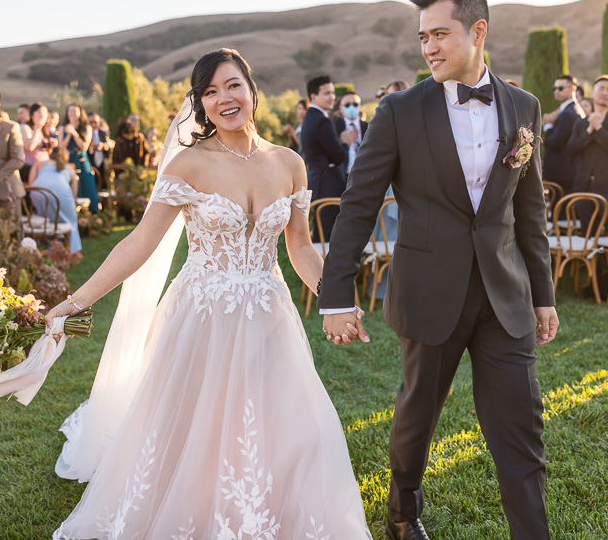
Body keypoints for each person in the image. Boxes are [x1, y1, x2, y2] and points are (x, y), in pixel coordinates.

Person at [44, 48, 371, 539]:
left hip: (268, 314)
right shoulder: (189, 164)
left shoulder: (289, 163)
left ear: (251, 90)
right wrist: (76, 300)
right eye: (210, 92)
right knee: (196, 432)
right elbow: (140, 242)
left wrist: (333, 300)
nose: (224, 99)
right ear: (199, 103)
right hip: (203, 317)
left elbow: (299, 246)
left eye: (232, 85)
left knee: (296, 428)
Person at [319, 0, 557, 540]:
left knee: (521, 432)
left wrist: (543, 294)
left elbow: (530, 209)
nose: (428, 48)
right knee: (416, 420)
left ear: (478, 32)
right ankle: (402, 515)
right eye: (423, 37)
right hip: (428, 292)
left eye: (440, 34)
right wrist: (336, 294)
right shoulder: (400, 111)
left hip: (505, 297)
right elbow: (358, 206)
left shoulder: (524, 107)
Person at [568, 75, 608, 233]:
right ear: (593, 93)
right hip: (584, 186)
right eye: (601, 89)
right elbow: (571, 150)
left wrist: (600, 129)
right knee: (588, 235)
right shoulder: (581, 123)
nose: (605, 92)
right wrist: (589, 131)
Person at [299, 74, 346, 241]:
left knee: (321, 235)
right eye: (327, 93)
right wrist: (345, 143)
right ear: (313, 96)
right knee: (328, 237)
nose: (332, 97)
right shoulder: (321, 120)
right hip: (328, 186)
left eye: (333, 92)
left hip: (317, 182)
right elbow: (338, 156)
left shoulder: (310, 117)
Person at [29, 147, 82, 253]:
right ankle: (72, 250)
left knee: (48, 214)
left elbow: (31, 184)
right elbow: (74, 194)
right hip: (61, 197)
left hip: (39, 194)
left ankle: (48, 244)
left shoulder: (39, 164)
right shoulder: (69, 168)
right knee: (71, 220)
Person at [541, 74, 585, 194]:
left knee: (560, 211)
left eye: (560, 88)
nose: (556, 91)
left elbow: (555, 142)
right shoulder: (571, 109)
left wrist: (548, 126)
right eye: (554, 88)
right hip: (565, 173)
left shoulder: (568, 113)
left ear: (572, 89)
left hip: (562, 173)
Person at [61, 103, 100, 212]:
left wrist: (74, 133)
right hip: (68, 161)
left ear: (80, 113)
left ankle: (89, 212)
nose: (72, 113)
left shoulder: (86, 127)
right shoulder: (62, 128)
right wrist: (68, 134)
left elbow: (84, 147)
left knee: (86, 185)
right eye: (70, 111)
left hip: (81, 160)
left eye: (75, 111)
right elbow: (61, 147)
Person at [333, 90, 367, 175]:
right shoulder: (333, 127)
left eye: (355, 104)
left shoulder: (369, 127)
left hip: (364, 174)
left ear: (359, 106)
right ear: (340, 108)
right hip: (342, 176)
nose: (351, 107)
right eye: (347, 105)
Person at [20, 102, 53, 182]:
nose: (42, 115)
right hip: (30, 168)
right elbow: (30, 147)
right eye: (39, 112)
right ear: (32, 115)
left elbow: (46, 152)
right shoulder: (25, 127)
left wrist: (51, 146)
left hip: (44, 167)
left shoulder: (45, 131)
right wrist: (37, 128)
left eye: (45, 113)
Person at [88, 111, 113, 186]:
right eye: (91, 122)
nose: (93, 124)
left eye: (95, 122)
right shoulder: (85, 133)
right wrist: (94, 148)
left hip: (102, 166)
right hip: (90, 165)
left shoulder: (102, 133)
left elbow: (108, 152)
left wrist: (105, 147)